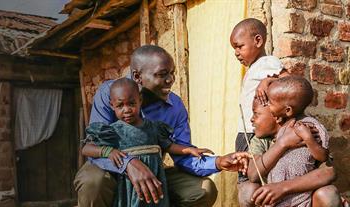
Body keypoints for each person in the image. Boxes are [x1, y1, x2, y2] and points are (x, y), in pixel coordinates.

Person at [74, 45, 250, 207]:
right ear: (137, 77)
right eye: (162, 74)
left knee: (204, 189)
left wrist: (218, 162)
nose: (170, 80)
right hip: (112, 168)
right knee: (92, 182)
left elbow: (182, 156)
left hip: (154, 170)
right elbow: (94, 148)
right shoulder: (111, 94)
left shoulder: (175, 107)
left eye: (172, 73)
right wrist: (128, 164)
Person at [82, 78, 214, 206]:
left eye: (131, 104)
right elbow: (87, 149)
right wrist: (108, 151)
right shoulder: (113, 131)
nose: (126, 109)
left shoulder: (154, 127)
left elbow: (168, 145)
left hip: (155, 176)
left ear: (140, 100)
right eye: (120, 105)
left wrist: (188, 150)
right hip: (129, 185)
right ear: (112, 106)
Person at [238, 98, 341, 207]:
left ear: (276, 117)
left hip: (304, 200)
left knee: (328, 194)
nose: (251, 119)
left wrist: (282, 188)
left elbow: (329, 172)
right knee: (247, 191)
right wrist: (283, 143)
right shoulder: (260, 140)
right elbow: (253, 174)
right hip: (272, 202)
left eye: (256, 114)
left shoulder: (304, 131)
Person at [229, 18, 286, 184]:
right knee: (246, 175)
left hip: (255, 133)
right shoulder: (255, 67)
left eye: (240, 46)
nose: (236, 52)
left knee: (252, 179)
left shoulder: (268, 63)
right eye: (234, 48)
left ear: (258, 40)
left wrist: (268, 81)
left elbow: (289, 81)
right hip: (246, 131)